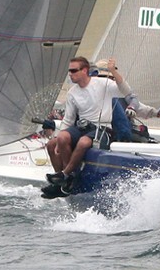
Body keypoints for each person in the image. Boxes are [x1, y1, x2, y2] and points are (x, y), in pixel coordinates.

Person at [44, 57, 124, 193]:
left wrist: (113, 72)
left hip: (102, 128)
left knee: (83, 142)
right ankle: (61, 182)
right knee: (54, 142)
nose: (70, 74)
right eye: (69, 71)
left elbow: (124, 90)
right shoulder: (72, 93)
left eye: (74, 71)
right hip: (83, 127)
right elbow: (68, 119)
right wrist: (57, 140)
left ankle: (67, 174)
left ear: (85, 70)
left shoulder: (103, 84)